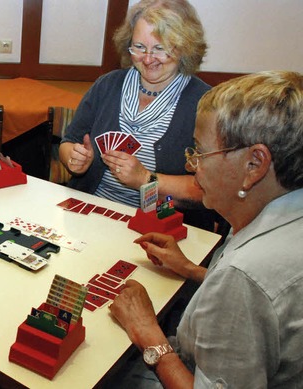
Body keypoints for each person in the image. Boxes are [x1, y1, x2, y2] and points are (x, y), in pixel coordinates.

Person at [109, 70, 303, 387]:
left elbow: (248, 288)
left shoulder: (244, 275)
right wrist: (190, 268)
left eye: (200, 151)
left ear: (254, 165)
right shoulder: (271, 210)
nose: (190, 164)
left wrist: (147, 333)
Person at [59, 0, 215, 230]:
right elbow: (68, 143)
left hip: (161, 229)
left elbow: (210, 188)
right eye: (139, 47)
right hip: (92, 213)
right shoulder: (108, 85)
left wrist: (145, 178)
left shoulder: (205, 103)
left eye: (161, 49)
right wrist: (75, 159)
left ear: (184, 48)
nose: (148, 58)